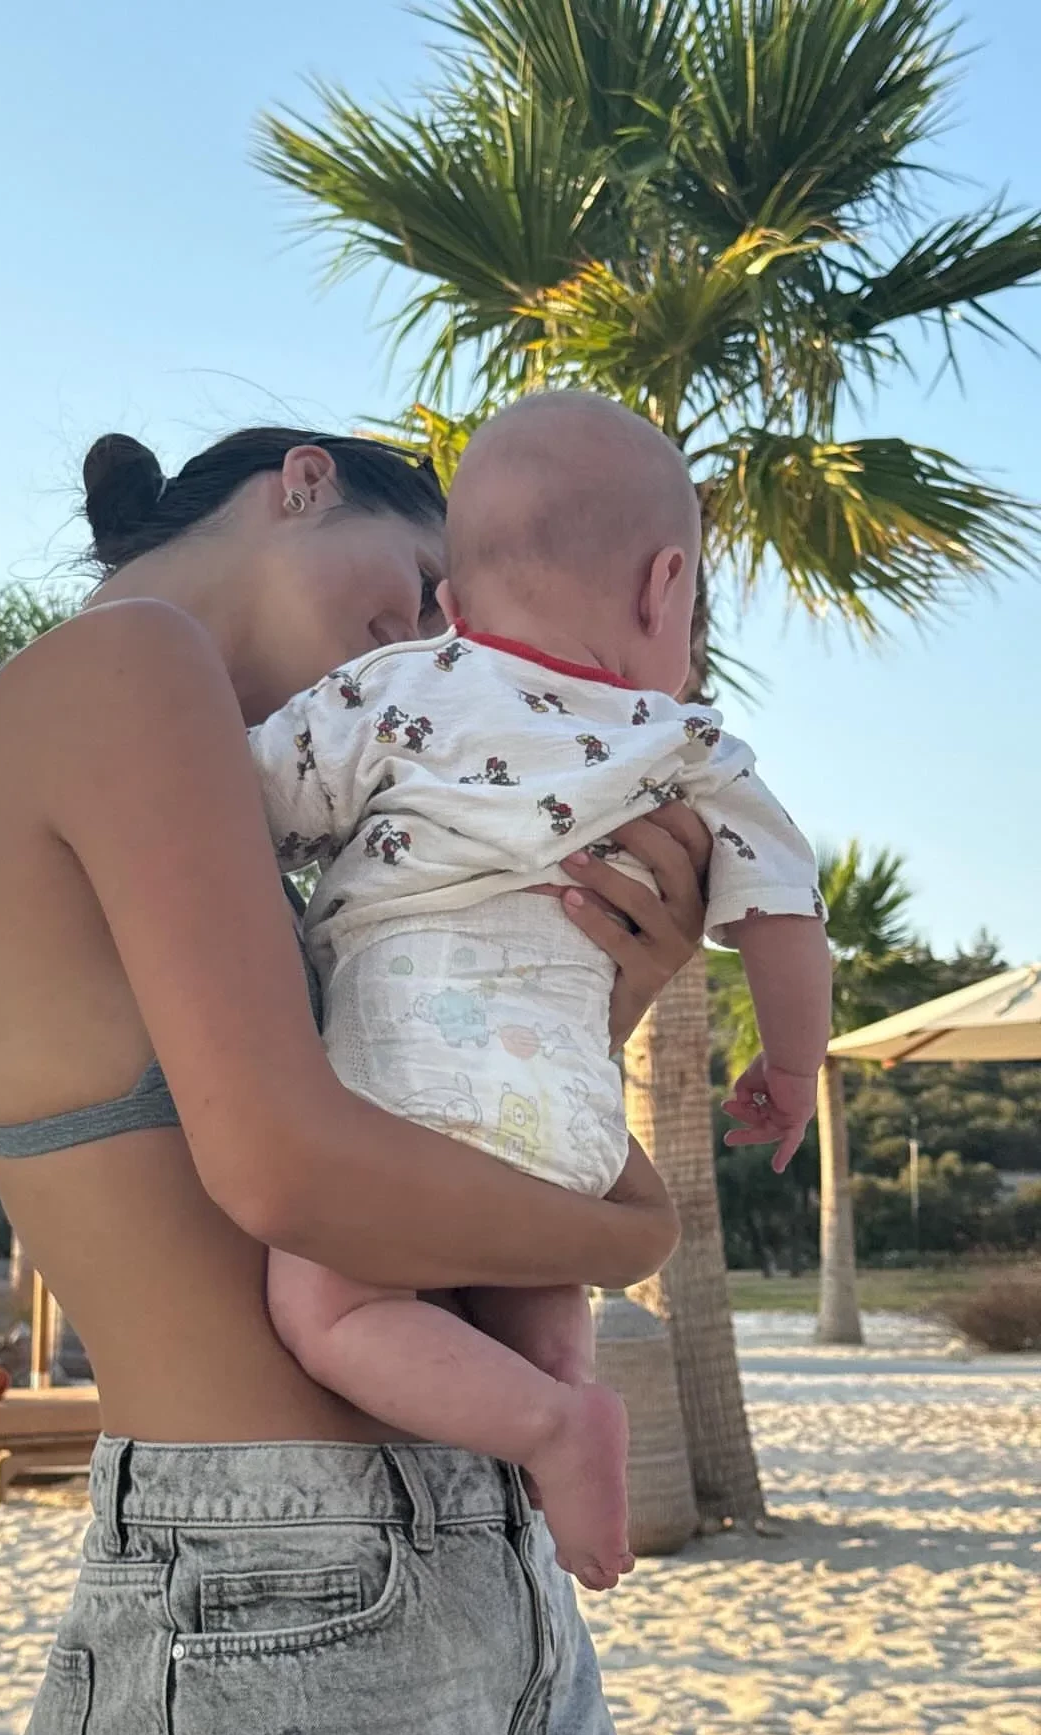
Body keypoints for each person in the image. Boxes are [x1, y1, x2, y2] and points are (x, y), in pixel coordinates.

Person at [0, 421, 707, 1735]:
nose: (435, 642)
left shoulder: (276, 812)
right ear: (302, 483)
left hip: (450, 1566)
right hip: (267, 1576)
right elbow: (287, 1175)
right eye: (421, 588)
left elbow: (433, 1195)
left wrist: (605, 989)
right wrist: (630, 1233)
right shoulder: (124, 662)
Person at [250, 392, 832, 1593]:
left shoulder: (394, 689)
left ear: (453, 601)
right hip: (566, 1116)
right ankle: (560, 1393)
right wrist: (790, 1067)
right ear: (666, 590)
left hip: (400, 1095)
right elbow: (787, 916)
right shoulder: (690, 750)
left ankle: (555, 1426)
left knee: (330, 1310)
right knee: (536, 1283)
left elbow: (247, 804)